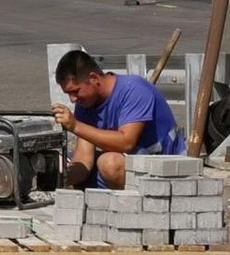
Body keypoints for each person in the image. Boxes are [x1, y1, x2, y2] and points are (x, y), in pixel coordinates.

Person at [50, 50, 182, 190]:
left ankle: (132, 207)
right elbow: (84, 157)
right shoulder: (86, 103)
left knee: (109, 164)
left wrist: (75, 126)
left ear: (94, 78)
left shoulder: (134, 90)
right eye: (68, 93)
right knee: (62, 164)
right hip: (127, 167)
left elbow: (127, 142)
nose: (73, 99)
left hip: (163, 169)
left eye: (75, 91)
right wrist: (60, 178)